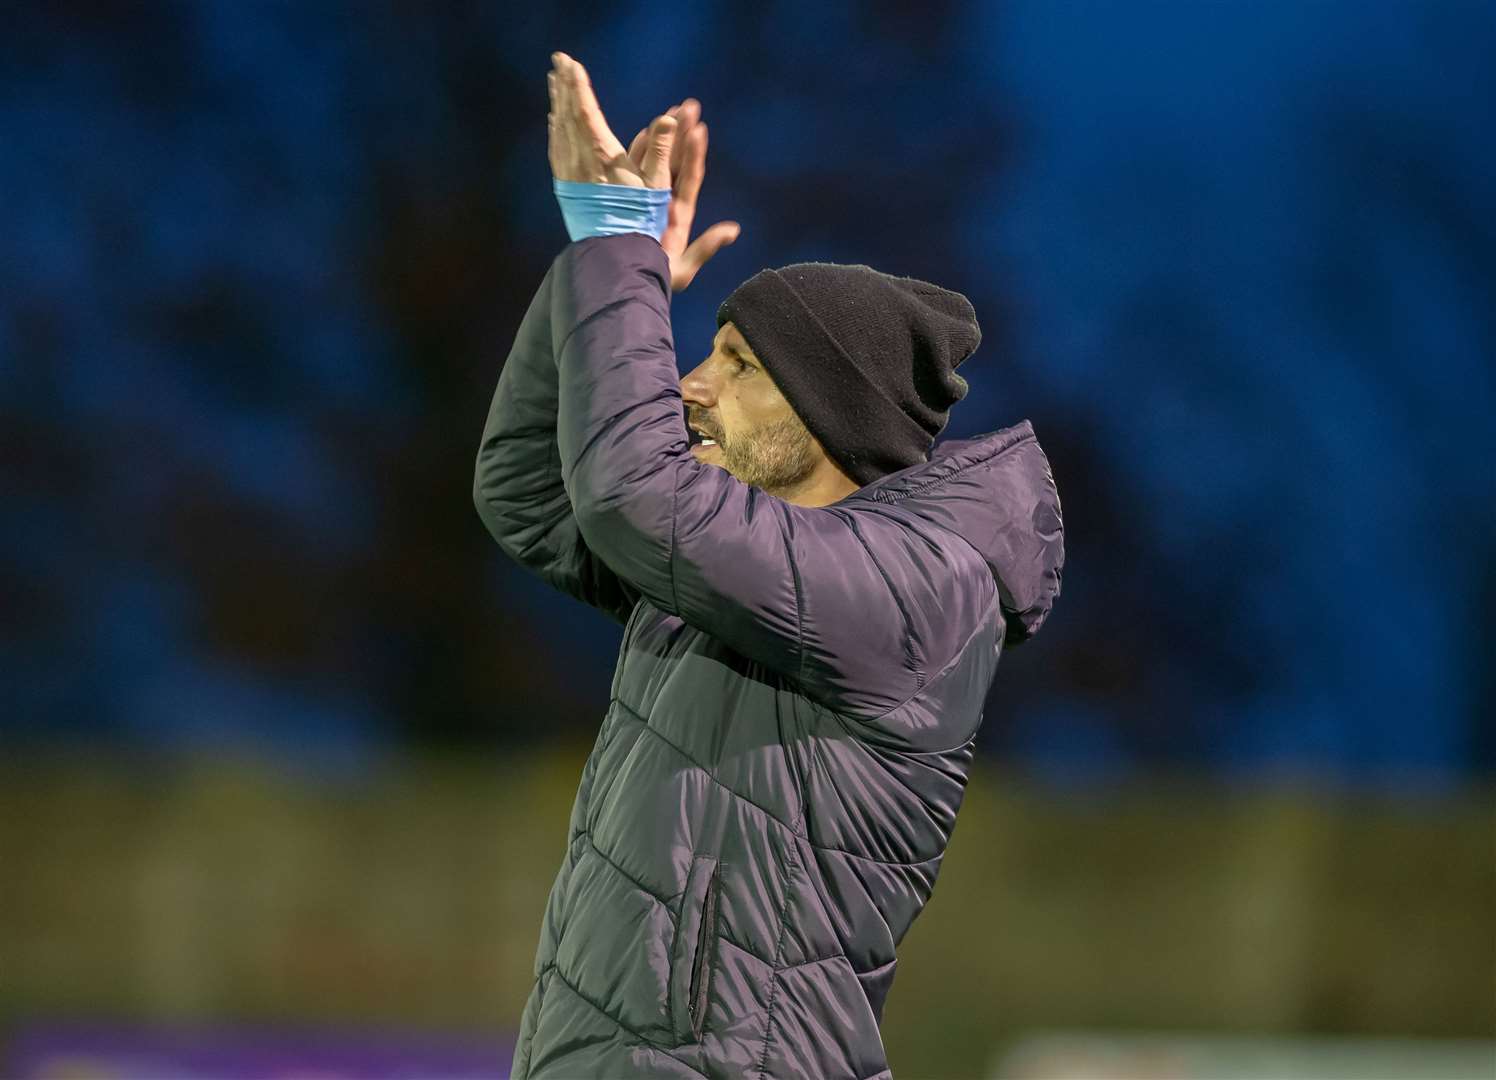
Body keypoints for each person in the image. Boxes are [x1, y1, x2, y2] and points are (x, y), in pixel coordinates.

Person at [472, 52, 1065, 1080]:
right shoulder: (737, 578)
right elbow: (531, 490)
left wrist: (621, 260)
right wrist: (603, 264)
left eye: (739, 366)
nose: (691, 387)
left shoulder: (915, 593)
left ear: (833, 416)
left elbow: (629, 496)